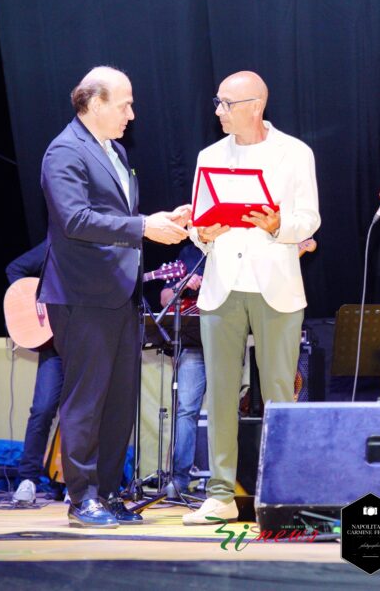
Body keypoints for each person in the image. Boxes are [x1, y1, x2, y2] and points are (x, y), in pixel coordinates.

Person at [39, 66, 190, 528]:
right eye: (124, 103)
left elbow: (115, 215)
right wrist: (145, 227)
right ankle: (80, 497)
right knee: (86, 400)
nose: (131, 113)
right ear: (94, 102)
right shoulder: (64, 150)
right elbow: (75, 220)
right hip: (83, 295)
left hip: (120, 294)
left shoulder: (115, 150)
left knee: (119, 401)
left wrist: (157, 218)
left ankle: (106, 494)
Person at [183, 71, 320, 525]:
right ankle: (221, 493)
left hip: (276, 284)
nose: (218, 111)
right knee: (220, 392)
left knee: (279, 392)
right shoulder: (209, 156)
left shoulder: (295, 153)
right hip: (223, 285)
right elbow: (199, 226)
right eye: (218, 103)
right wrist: (202, 232)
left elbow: (309, 219)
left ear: (254, 106)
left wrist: (277, 224)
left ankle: (283, 492)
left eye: (226, 103)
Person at [5, 239, 63, 503]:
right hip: (55, 345)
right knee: (42, 409)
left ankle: (78, 484)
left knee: (81, 413)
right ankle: (27, 479)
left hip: (84, 342)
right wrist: (36, 295)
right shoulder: (54, 245)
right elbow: (14, 269)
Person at [159, 242, 205, 496]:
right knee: (186, 409)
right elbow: (165, 297)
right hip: (194, 342)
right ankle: (179, 480)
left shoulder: (237, 243)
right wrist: (183, 283)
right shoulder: (190, 253)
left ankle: (227, 482)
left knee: (226, 412)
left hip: (227, 337)